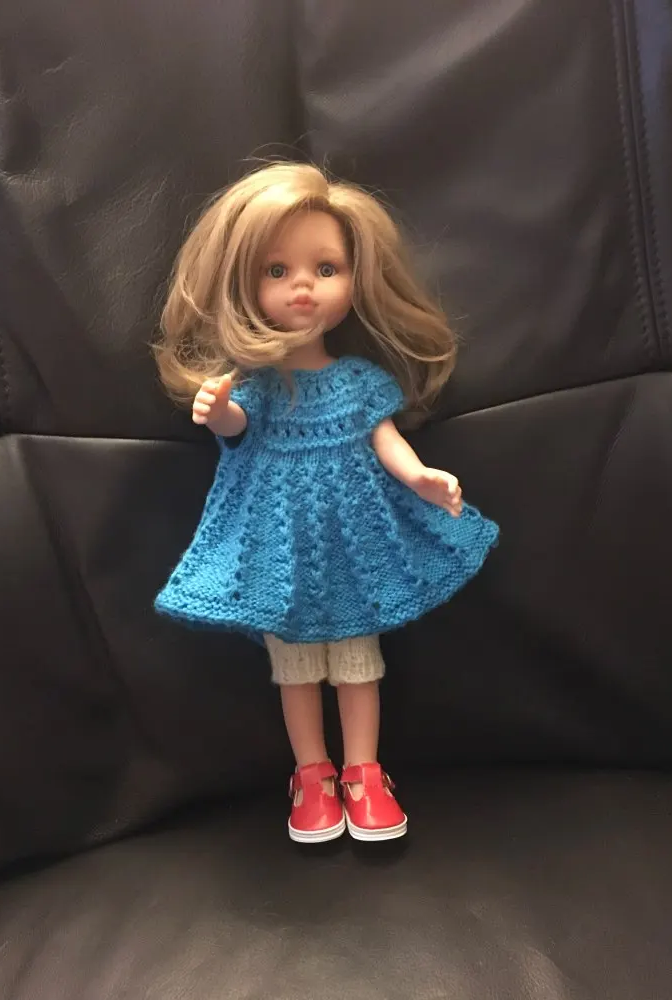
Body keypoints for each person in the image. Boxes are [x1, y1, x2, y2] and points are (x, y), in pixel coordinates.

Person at [154, 162, 499, 844]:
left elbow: (387, 442)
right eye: (276, 270)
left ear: (355, 277)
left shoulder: (359, 382)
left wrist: (422, 478)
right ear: (244, 284)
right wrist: (216, 409)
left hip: (355, 550)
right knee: (296, 672)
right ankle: (312, 774)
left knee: (358, 666)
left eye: (326, 268)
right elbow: (236, 430)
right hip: (280, 555)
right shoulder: (256, 387)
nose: (303, 286)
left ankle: (364, 772)